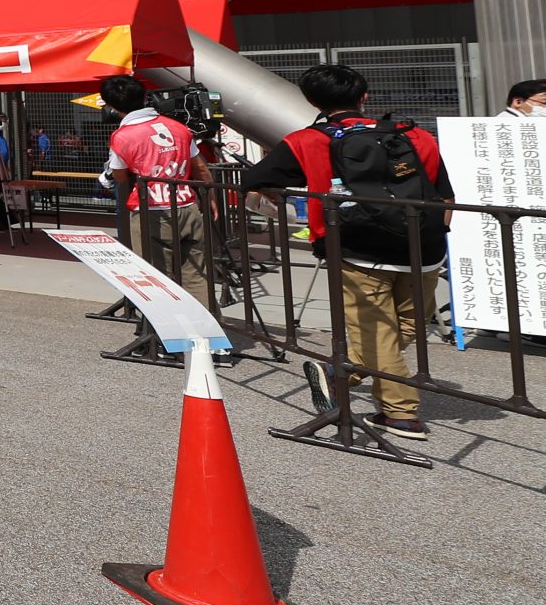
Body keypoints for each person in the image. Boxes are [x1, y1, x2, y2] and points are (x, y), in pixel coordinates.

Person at [244, 63, 451, 443]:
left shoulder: (307, 141)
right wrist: (441, 231)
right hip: (425, 246)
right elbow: (444, 194)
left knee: (376, 330)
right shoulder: (415, 135)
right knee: (408, 325)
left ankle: (401, 415)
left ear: (310, 100)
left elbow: (254, 180)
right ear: (364, 96)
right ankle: (351, 375)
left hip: (356, 247)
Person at [97, 75, 215, 323]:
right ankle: (207, 335)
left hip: (152, 209)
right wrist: (209, 199)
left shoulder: (123, 135)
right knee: (196, 273)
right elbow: (201, 169)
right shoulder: (179, 127)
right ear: (144, 96)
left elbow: (119, 176)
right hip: (187, 203)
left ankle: (164, 335)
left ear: (112, 106)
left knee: (155, 275)